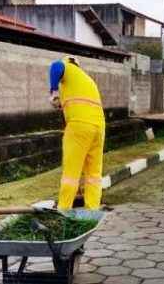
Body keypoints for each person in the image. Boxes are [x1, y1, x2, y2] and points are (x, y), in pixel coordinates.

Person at [48, 56, 105, 210]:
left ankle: (63, 209)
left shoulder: (67, 67)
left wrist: (53, 91)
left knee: (71, 173)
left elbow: (56, 66)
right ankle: (92, 210)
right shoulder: (88, 80)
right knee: (93, 173)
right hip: (99, 128)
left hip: (79, 126)